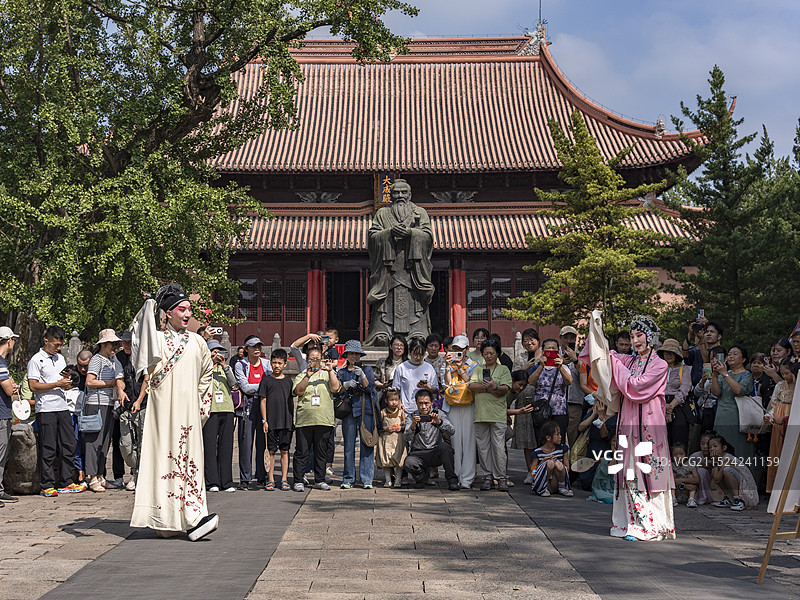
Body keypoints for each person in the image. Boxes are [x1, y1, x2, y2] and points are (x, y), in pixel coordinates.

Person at [130, 284, 217, 541]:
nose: (187, 314)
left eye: (189, 309)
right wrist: (149, 306)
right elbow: (138, 334)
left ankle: (193, 518)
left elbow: (207, 377)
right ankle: (165, 520)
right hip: (162, 413)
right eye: (182, 309)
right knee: (162, 460)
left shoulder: (198, 342)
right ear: (167, 313)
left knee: (190, 462)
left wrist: (201, 409)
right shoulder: (156, 340)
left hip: (188, 414)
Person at [587, 314, 674, 541]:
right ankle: (628, 524)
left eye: (640, 335)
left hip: (649, 424)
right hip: (628, 423)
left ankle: (651, 525)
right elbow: (605, 358)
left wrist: (616, 363)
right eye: (633, 336)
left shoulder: (660, 365)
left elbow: (636, 387)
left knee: (649, 471)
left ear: (651, 338)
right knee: (629, 471)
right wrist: (597, 329)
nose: (635, 340)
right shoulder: (630, 361)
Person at [364, 178, 434, 345]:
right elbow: (373, 237)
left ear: (410, 194)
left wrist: (412, 233)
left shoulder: (420, 212)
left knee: (414, 300)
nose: (400, 195)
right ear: (391, 195)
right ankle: (382, 333)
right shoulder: (382, 214)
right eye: (396, 192)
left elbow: (428, 237)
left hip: (412, 269)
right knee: (385, 301)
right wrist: (388, 232)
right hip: (389, 269)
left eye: (404, 192)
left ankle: (417, 332)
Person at [28, 326, 85, 497]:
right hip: (46, 409)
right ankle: (47, 484)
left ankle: (67, 481)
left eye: (60, 345)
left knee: (69, 444)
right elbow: (33, 386)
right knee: (48, 447)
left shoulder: (60, 358)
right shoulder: (36, 360)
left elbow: (63, 381)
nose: (58, 348)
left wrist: (68, 382)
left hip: (63, 406)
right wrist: (56, 384)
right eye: (55, 344)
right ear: (46, 341)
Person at [84, 329, 127, 493]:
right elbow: (90, 381)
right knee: (94, 441)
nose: (114, 347)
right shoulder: (96, 359)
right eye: (112, 343)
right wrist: (109, 383)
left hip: (108, 403)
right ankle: (92, 477)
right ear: (103, 344)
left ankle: (100, 475)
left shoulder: (112, 359)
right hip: (96, 404)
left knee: (104, 443)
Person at [292, 348, 340, 491]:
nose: (315, 361)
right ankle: (299, 480)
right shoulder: (301, 375)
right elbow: (298, 391)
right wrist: (308, 376)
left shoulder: (328, 374)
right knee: (302, 452)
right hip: (305, 420)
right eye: (312, 358)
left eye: (318, 358)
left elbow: (335, 388)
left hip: (324, 419)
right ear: (307, 360)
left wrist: (331, 370)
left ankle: (319, 479)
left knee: (321, 451)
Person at [468, 337, 512, 491]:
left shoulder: (503, 369)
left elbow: (506, 389)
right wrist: (490, 389)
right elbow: (472, 385)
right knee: (483, 448)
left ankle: (501, 478)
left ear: (497, 353)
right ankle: (487, 477)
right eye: (486, 353)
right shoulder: (478, 369)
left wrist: (495, 386)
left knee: (498, 448)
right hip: (481, 414)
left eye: (492, 353)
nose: (489, 356)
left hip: (498, 414)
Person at [337, 340, 378, 489]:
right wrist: (345, 385)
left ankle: (367, 478)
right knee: (348, 445)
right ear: (346, 354)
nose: (354, 356)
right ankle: (348, 477)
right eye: (351, 353)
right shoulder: (341, 372)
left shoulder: (366, 369)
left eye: (356, 354)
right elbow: (337, 391)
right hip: (348, 411)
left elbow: (370, 388)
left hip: (364, 409)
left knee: (366, 444)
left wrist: (362, 376)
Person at [233, 335, 273, 489]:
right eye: (253, 346)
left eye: (259, 346)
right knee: (245, 441)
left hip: (263, 404)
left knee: (263, 441)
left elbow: (271, 381)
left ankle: (262, 476)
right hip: (247, 405)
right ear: (246, 349)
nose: (257, 349)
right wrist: (263, 385)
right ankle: (245, 478)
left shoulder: (266, 363)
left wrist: (260, 386)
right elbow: (245, 387)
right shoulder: (240, 364)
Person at [710, 344, 756, 473]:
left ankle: (742, 481)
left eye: (735, 354)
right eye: (729, 354)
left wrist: (724, 374)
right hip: (721, 415)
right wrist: (714, 375)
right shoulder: (724, 373)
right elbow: (716, 392)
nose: (730, 356)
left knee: (739, 450)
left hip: (738, 417)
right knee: (720, 448)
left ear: (743, 359)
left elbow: (738, 390)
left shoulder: (746, 375)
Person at [404, 389, 459, 490]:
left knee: (445, 447)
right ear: (416, 403)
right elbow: (406, 437)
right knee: (409, 463)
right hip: (418, 453)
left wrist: (439, 423)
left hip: (435, 452)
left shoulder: (439, 414)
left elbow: (452, 431)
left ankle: (452, 480)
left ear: (432, 403)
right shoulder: (411, 416)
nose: (424, 407)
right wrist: (412, 426)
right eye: (420, 403)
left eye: (426, 403)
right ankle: (421, 478)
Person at [443, 335, 478, 489]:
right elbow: (446, 383)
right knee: (455, 441)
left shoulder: (474, 365)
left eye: (460, 350)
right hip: (453, 405)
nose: (457, 352)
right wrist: (447, 368)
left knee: (469, 441)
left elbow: (471, 382)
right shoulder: (447, 363)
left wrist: (459, 367)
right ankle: (455, 475)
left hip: (468, 404)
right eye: (454, 349)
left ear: (467, 350)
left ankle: (468, 478)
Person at [202, 340, 237, 494]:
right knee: (209, 447)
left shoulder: (225, 368)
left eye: (219, 352)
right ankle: (212, 482)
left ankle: (226, 481)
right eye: (213, 352)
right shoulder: (203, 368)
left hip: (227, 409)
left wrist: (224, 366)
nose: (217, 355)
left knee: (226, 446)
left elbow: (234, 383)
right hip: (210, 410)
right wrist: (209, 363)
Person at [116, 331, 148, 491]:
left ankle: (139, 474)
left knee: (142, 442)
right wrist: (120, 391)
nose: (126, 345)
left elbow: (146, 380)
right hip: (126, 406)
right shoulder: (119, 357)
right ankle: (134, 470)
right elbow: (119, 378)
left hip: (143, 405)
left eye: (129, 342)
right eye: (124, 342)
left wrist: (140, 400)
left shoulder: (142, 355)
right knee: (127, 444)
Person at [258, 348, 294, 491]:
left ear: (285, 364)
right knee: (271, 451)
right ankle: (270, 479)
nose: (276, 366)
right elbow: (263, 401)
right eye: (274, 363)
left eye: (279, 363)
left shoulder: (289, 381)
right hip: (271, 422)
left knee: (285, 451)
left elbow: (291, 401)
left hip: (286, 422)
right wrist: (264, 420)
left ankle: (284, 479)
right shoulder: (266, 380)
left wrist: (291, 420)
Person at [527, 338, 572, 440]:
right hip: (541, 411)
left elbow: (569, 381)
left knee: (559, 441)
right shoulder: (536, 367)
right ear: (543, 351)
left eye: (554, 348)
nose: (551, 351)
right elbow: (531, 382)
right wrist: (541, 366)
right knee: (542, 440)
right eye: (548, 348)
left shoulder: (564, 367)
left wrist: (560, 367)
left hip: (559, 411)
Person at [764, 358, 798, 492]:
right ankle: (775, 488)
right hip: (779, 418)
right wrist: (770, 416)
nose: (785, 376)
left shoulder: (798, 385)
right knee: (777, 452)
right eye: (782, 373)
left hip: (791, 417)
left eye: (787, 373)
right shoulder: (780, 386)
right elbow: (773, 404)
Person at [709, 435, 758, 510]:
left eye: (715, 446)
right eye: (710, 447)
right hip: (736, 484)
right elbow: (716, 479)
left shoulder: (728, 459)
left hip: (746, 488)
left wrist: (715, 462)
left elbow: (717, 479)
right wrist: (715, 462)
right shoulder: (717, 460)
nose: (712, 449)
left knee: (726, 470)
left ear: (724, 448)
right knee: (715, 472)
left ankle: (738, 499)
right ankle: (729, 498)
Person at [659, 338, 693, 448]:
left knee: (679, 438)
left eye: (672, 353)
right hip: (659, 404)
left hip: (678, 406)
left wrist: (670, 407)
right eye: (666, 352)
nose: (668, 355)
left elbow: (684, 389)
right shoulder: (658, 368)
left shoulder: (684, 369)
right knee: (661, 438)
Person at [392, 337, 439, 416]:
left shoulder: (429, 367)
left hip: (425, 411)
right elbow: (395, 389)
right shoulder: (401, 368)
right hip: (407, 410)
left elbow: (435, 389)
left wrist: (428, 387)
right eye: (415, 354)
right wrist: (399, 403)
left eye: (421, 355)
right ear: (410, 352)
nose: (418, 358)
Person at [0, 326, 20, 505]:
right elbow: (8, 389)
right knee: (0, 451)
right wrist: (13, 388)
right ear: (9, 341)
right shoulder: (0, 362)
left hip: (4, 412)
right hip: (1, 413)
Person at [529, 420, 572, 497]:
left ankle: (562, 487)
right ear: (548, 438)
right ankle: (543, 488)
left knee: (557, 464)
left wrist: (557, 463)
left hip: (557, 481)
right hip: (546, 481)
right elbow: (532, 473)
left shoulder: (562, 449)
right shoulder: (538, 452)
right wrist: (542, 462)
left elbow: (567, 468)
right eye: (557, 434)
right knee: (550, 463)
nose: (560, 437)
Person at [508, 370, 536, 483]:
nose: (521, 388)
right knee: (527, 444)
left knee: (533, 443)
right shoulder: (507, 388)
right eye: (520, 385)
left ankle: (536, 471)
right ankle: (530, 471)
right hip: (521, 415)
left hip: (533, 415)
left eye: (524, 385)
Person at [376, 388, 406, 487]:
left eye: (396, 400)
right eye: (391, 400)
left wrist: (400, 428)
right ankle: (388, 479)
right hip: (386, 439)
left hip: (398, 439)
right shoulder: (383, 412)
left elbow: (405, 425)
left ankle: (398, 479)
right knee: (386, 459)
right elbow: (379, 426)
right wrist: (385, 428)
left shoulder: (401, 412)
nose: (394, 402)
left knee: (399, 459)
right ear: (386, 401)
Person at [374, 335, 407, 403]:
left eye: (401, 345)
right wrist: (382, 385)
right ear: (391, 346)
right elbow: (374, 380)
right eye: (396, 345)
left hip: (404, 397)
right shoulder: (383, 362)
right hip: (386, 396)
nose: (399, 347)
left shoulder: (407, 364)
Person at [671, 442, 699, 507]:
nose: (678, 457)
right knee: (673, 476)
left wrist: (682, 481)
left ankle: (691, 500)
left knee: (690, 476)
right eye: (675, 455)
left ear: (686, 455)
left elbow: (697, 480)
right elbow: (671, 481)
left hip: (688, 491)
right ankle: (673, 498)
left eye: (681, 454)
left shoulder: (690, 465)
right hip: (677, 491)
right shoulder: (672, 466)